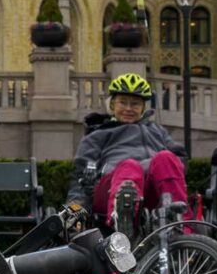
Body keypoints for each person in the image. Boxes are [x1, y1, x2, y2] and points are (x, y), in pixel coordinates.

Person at [64, 73, 187, 228]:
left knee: (166, 157)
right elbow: (80, 177)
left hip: (151, 190)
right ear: (112, 106)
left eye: (135, 104)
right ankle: (121, 219)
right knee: (130, 166)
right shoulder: (98, 134)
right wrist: (74, 210)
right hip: (110, 189)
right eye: (123, 103)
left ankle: (179, 225)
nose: (128, 109)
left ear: (143, 108)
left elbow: (179, 160)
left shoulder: (157, 131)